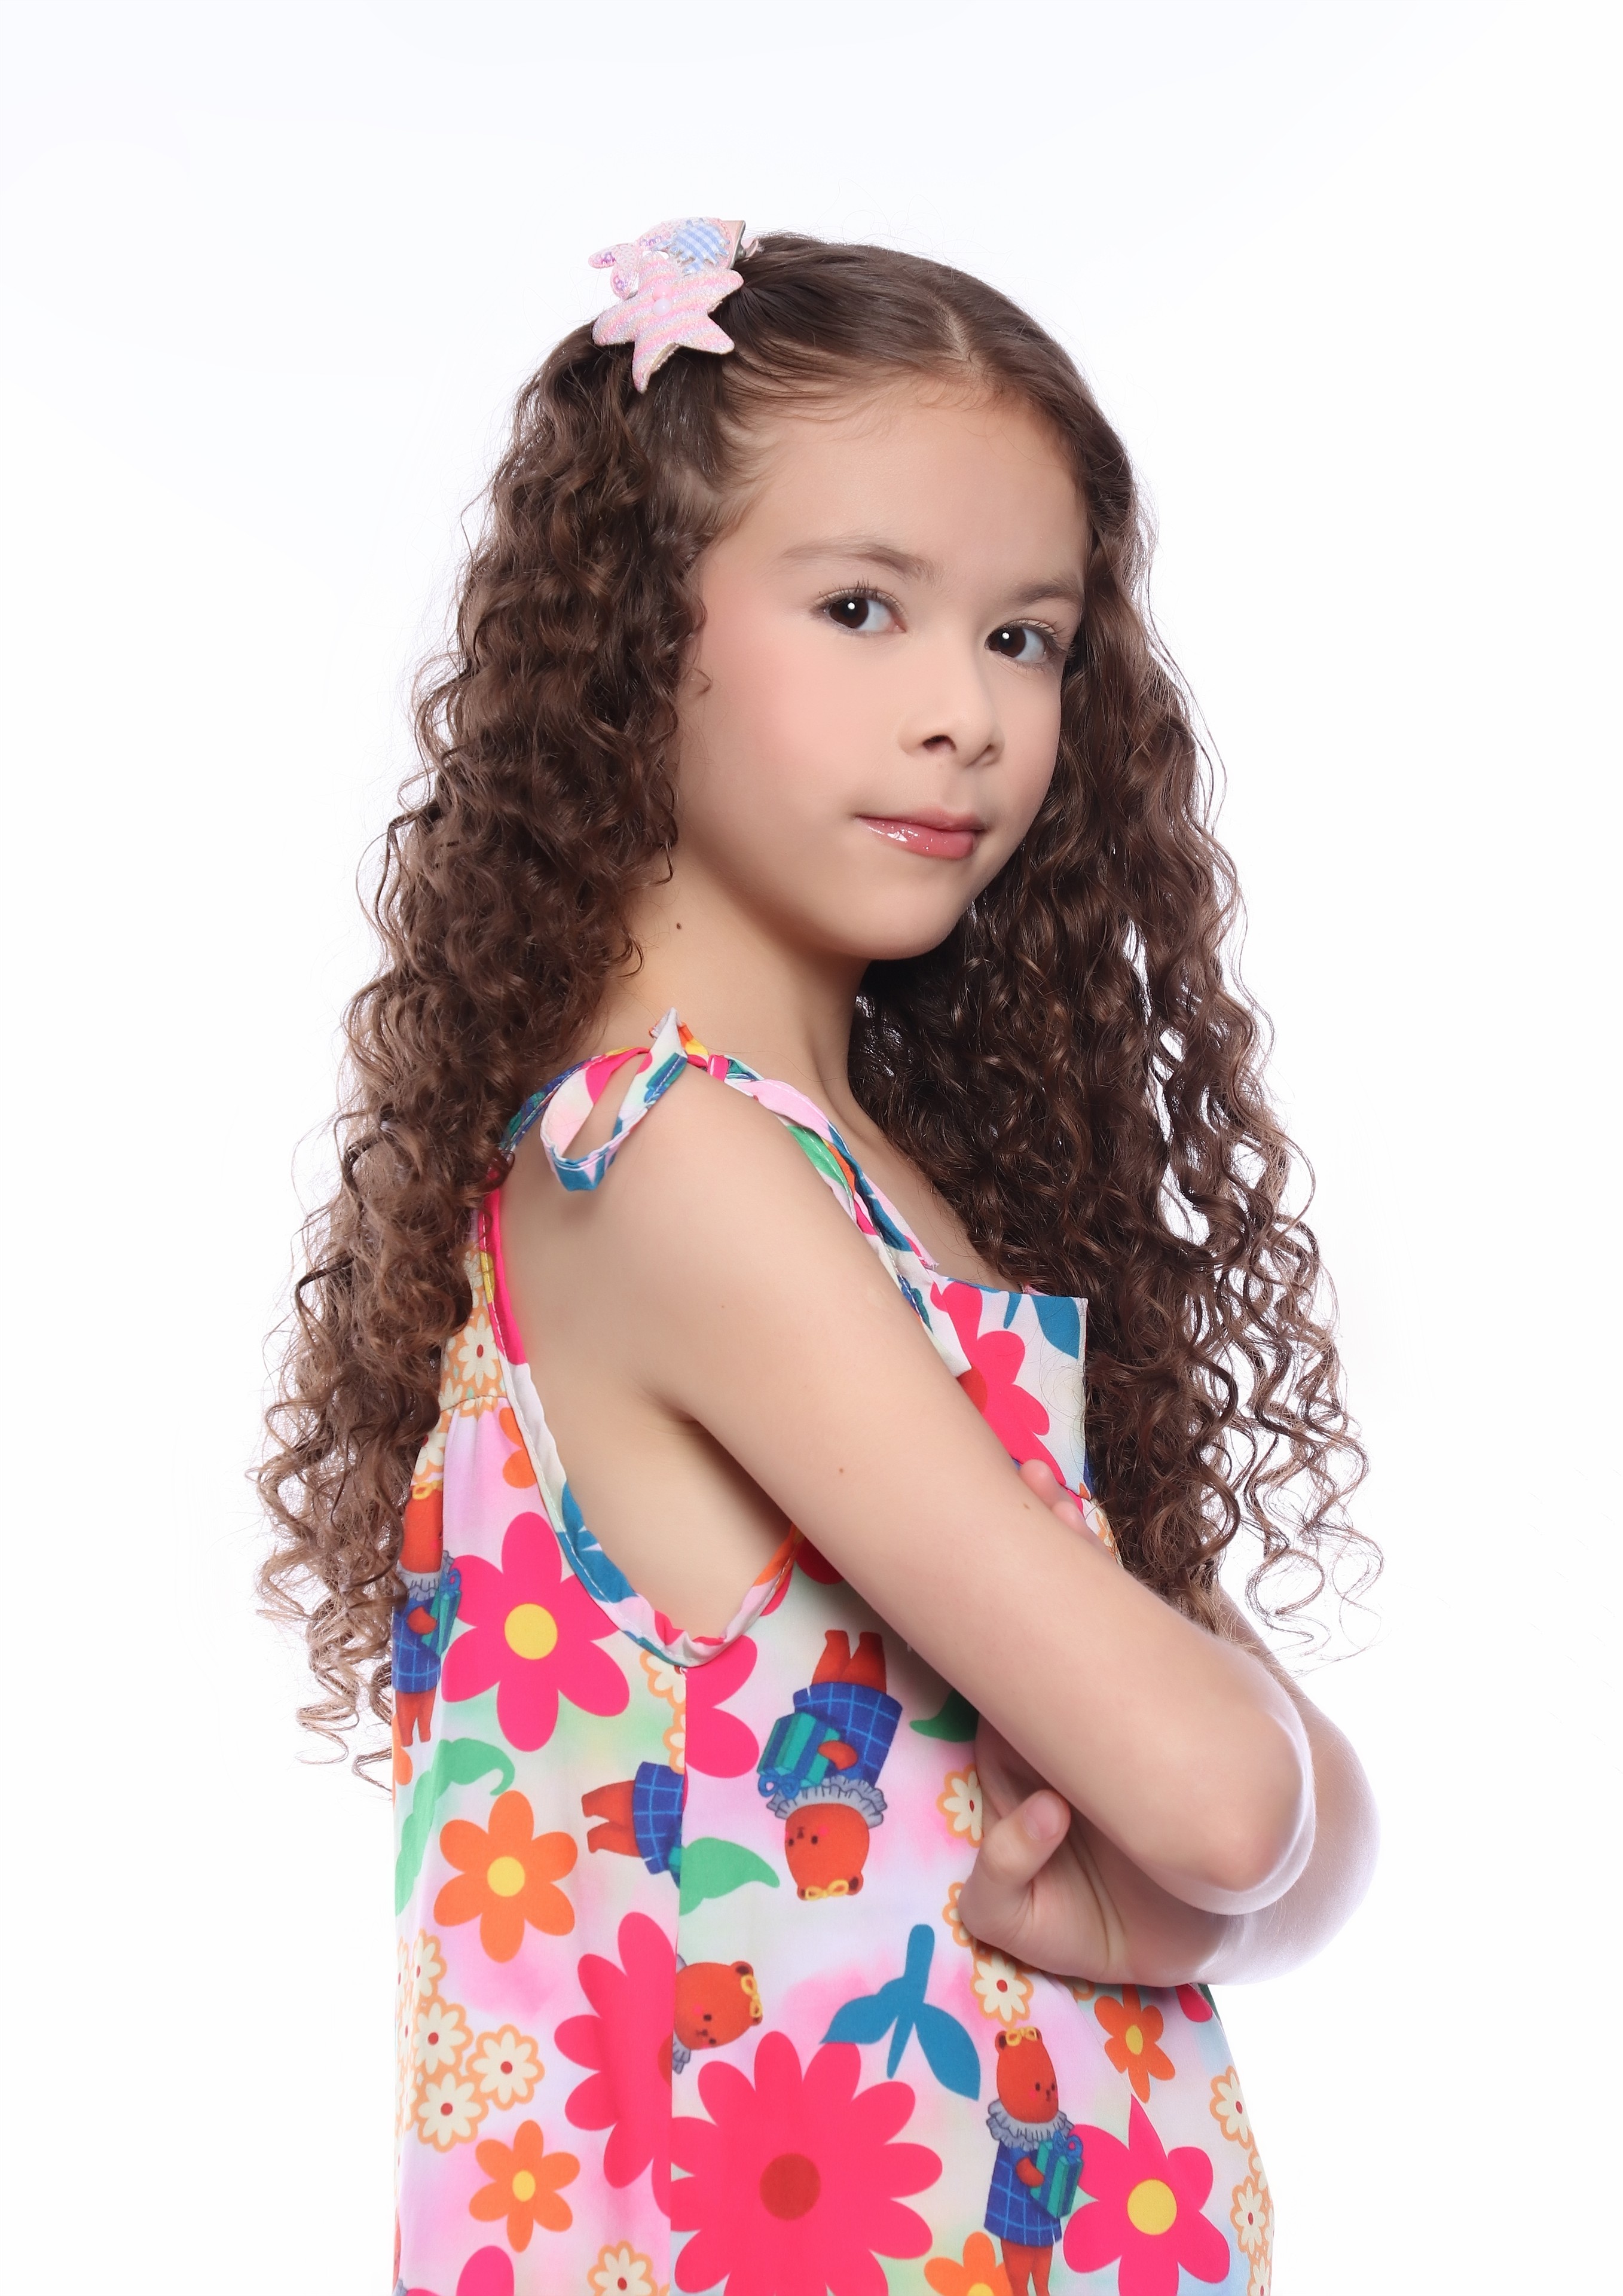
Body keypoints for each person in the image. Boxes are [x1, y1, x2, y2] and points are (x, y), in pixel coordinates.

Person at [260, 219, 1379, 2296]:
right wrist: (1210, 1869)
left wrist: (1202, 1891)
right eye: (861, 608)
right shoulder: (669, 1163)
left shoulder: (895, 1192)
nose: (962, 714)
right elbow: (1235, 1799)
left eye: (1025, 638)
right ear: (632, 633)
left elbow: (1306, 1826)